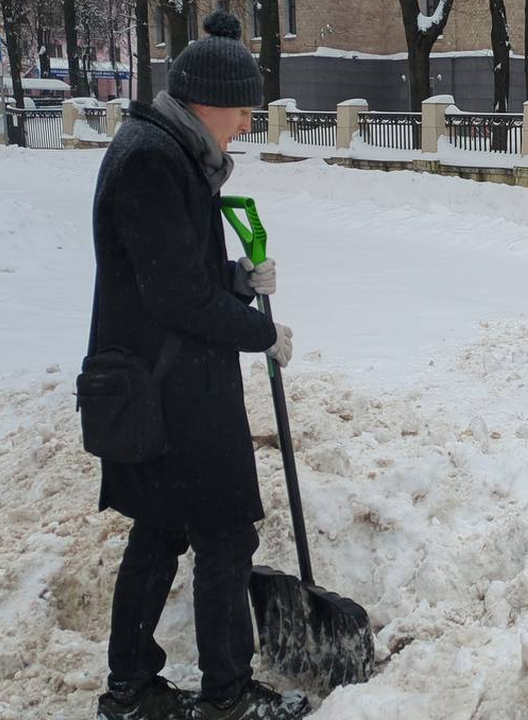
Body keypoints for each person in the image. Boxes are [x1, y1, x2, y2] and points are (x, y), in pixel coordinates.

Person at [90, 10, 307, 720]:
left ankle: (130, 687)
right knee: (222, 533)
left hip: (158, 379)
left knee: (160, 526)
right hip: (168, 388)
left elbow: (177, 269)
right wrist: (256, 332)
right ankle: (228, 696)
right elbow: (175, 293)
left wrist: (238, 280)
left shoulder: (164, 150)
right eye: (244, 110)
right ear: (210, 101)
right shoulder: (153, 159)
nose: (246, 123)